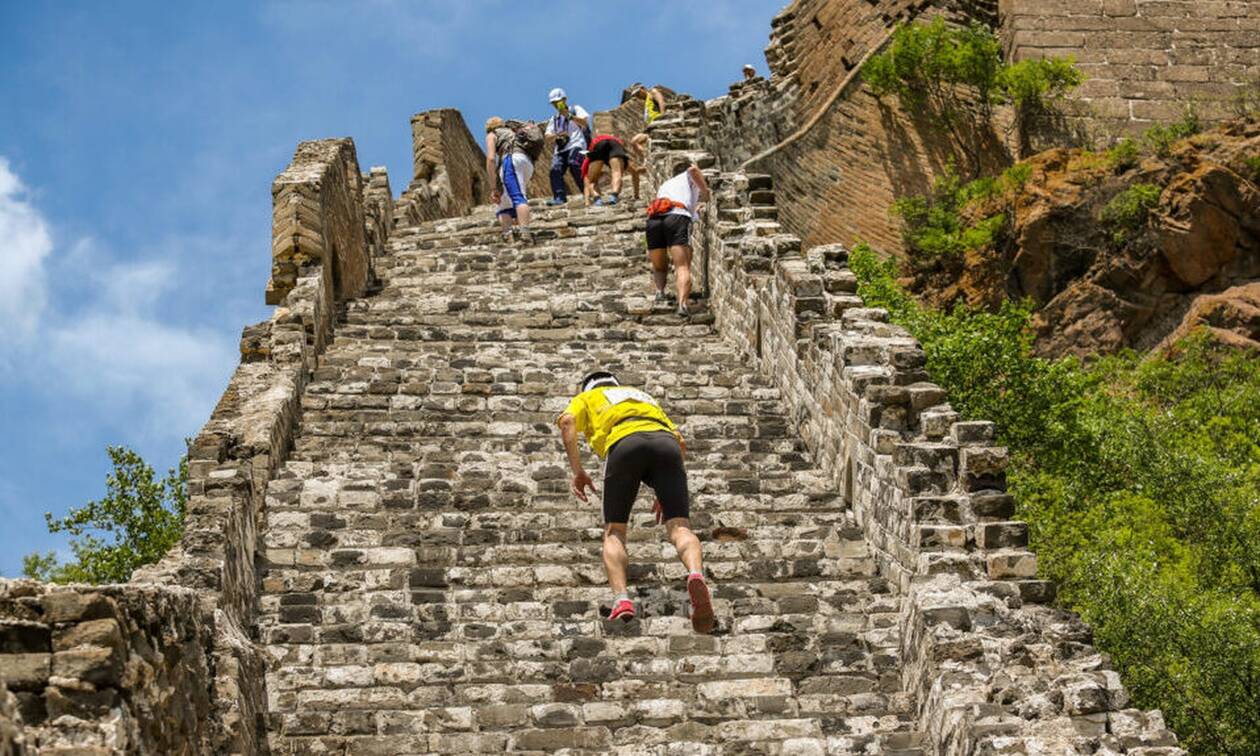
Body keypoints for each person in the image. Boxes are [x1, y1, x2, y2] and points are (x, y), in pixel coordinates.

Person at [556, 370, 714, 633]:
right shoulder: (644, 397)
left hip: (624, 444)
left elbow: (568, 423)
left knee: (615, 532)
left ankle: (622, 599)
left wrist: (578, 472)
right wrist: (663, 491)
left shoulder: (589, 397)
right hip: (666, 445)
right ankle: (696, 574)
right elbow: (680, 441)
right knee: (680, 528)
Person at [645, 164, 709, 317]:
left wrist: (696, 210)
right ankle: (682, 305)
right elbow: (693, 169)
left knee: (659, 265)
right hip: (677, 217)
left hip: (654, 220)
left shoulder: (666, 186)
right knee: (682, 266)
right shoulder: (686, 177)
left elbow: (689, 210)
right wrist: (706, 193)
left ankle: (660, 293)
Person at [485, 117, 534, 245]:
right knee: (505, 202)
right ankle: (507, 233)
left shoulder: (492, 134)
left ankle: (525, 233)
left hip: (512, 160)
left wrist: (493, 187)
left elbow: (490, 159)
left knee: (518, 196)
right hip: (527, 163)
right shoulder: (512, 133)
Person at [544, 88, 590, 205]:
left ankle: (587, 193)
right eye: (554, 103)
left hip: (577, 144)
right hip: (560, 149)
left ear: (564, 99)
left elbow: (585, 122)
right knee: (555, 170)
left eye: (558, 101)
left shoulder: (575, 109)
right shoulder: (554, 119)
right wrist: (557, 135)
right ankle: (559, 198)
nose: (556, 105)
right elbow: (547, 136)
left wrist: (569, 116)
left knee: (575, 164)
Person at [581, 134, 641, 206]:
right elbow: (635, 172)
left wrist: (587, 201)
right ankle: (613, 196)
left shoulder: (588, 156)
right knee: (617, 172)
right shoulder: (618, 144)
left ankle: (597, 200)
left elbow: (586, 179)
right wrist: (636, 195)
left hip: (598, 145)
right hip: (614, 144)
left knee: (592, 181)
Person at [631, 85, 666, 160]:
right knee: (634, 142)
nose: (637, 96)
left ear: (642, 89)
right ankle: (646, 159)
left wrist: (663, 116)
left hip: (657, 122)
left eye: (638, 93)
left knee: (635, 141)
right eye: (635, 95)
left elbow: (661, 102)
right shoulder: (646, 102)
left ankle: (648, 160)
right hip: (650, 127)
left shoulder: (652, 92)